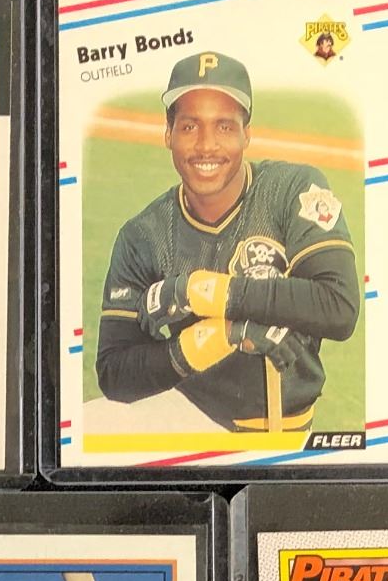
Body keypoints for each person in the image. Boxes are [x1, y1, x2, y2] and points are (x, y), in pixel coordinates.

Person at [94, 52, 360, 435]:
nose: (206, 145)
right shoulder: (143, 235)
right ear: (168, 134)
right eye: (189, 126)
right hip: (187, 414)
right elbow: (114, 374)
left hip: (281, 433)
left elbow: (339, 306)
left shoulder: (291, 190)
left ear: (246, 134)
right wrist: (222, 334)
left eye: (224, 126)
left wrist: (199, 292)